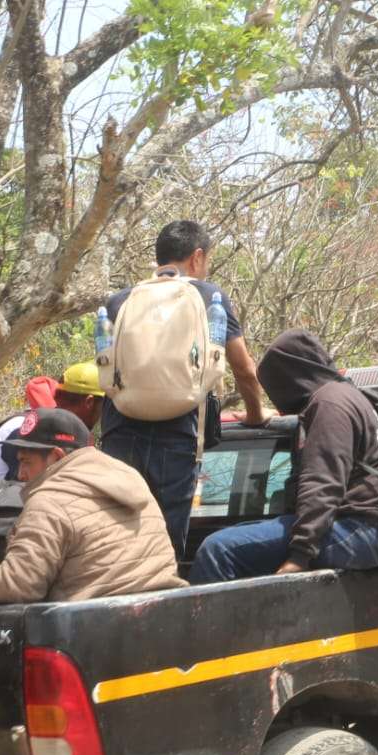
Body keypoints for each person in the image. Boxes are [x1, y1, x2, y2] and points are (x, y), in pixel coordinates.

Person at [0, 408, 183, 625]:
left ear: (56, 457)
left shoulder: (50, 499)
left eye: (26, 462)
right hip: (163, 616)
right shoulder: (130, 479)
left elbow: (20, 584)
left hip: (92, 632)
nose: (21, 475)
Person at [99, 221, 266, 559]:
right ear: (197, 257)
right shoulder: (209, 296)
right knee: (165, 539)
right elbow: (244, 370)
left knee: (116, 537)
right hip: (178, 432)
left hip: (120, 430)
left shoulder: (119, 300)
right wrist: (256, 414)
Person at [190, 330, 378, 584]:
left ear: (292, 374)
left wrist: (300, 555)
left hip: (356, 531)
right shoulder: (344, 396)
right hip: (365, 530)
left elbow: (322, 483)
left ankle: (212, 625)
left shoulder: (329, 405)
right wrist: (271, 417)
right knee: (233, 538)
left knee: (218, 550)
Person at [0, 361, 107, 541]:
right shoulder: (29, 430)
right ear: (89, 402)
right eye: (105, 404)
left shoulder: (69, 434)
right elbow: (36, 491)